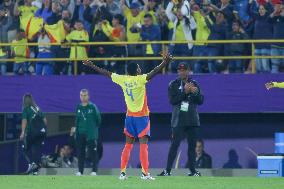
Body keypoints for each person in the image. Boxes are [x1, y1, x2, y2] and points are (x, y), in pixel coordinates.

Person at [83, 53, 173, 180]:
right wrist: (165, 62)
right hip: (142, 117)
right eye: (138, 67)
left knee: (128, 145)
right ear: (137, 70)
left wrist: (92, 65)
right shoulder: (141, 79)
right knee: (143, 146)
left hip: (129, 118)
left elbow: (106, 72)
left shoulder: (123, 79)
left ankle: (123, 173)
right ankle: (145, 173)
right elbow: (155, 71)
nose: (140, 69)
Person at [158, 62, 204, 176]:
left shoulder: (194, 83)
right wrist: (185, 92)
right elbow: (173, 101)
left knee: (192, 146)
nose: (182, 72)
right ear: (178, 72)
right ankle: (167, 170)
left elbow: (201, 101)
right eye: (180, 70)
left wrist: (196, 92)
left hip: (192, 119)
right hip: (178, 120)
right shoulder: (173, 84)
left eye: (184, 70)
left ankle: (193, 171)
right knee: (174, 145)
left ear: (188, 71)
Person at [71, 89, 101, 176]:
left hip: (91, 134)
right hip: (80, 133)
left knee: (93, 152)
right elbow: (77, 120)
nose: (83, 97)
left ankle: (94, 171)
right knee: (80, 152)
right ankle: (80, 171)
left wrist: (93, 129)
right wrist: (77, 130)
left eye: (85, 95)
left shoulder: (93, 107)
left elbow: (98, 120)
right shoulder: (78, 107)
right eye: (81, 95)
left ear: (88, 96)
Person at [20, 93, 47, 175]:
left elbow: (24, 121)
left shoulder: (26, 109)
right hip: (41, 133)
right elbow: (45, 121)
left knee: (24, 148)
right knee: (36, 151)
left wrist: (23, 132)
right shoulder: (37, 108)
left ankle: (32, 163)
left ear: (24, 100)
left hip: (31, 133)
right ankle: (35, 172)